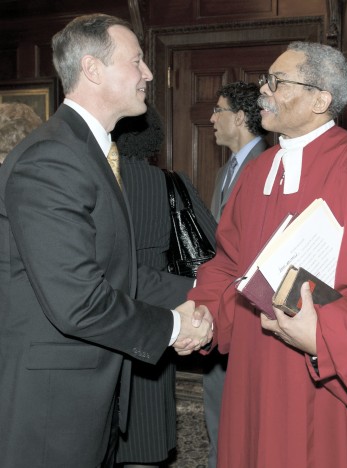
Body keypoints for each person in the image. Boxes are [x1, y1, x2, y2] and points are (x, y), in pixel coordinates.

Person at [0, 14, 212, 468]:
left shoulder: (86, 150)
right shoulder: (53, 159)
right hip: (50, 410)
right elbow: (78, 301)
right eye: (136, 61)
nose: (148, 74)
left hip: (85, 400)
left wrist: (213, 293)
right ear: (93, 69)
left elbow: (121, 273)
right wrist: (176, 328)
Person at [189, 41, 347, 468]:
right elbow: (228, 262)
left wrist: (322, 338)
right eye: (266, 80)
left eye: (277, 82)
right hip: (253, 363)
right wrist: (205, 310)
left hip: (321, 379)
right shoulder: (258, 171)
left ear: (321, 100)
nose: (263, 91)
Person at [111, 105, 217, 467]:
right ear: (153, 139)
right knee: (146, 431)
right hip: (158, 317)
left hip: (103, 312)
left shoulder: (94, 181)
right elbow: (214, 246)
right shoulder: (171, 182)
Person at [205, 81, 268, 468]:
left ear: (241, 117)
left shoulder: (268, 163)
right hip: (222, 303)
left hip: (250, 308)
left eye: (219, 109)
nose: (211, 118)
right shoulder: (225, 171)